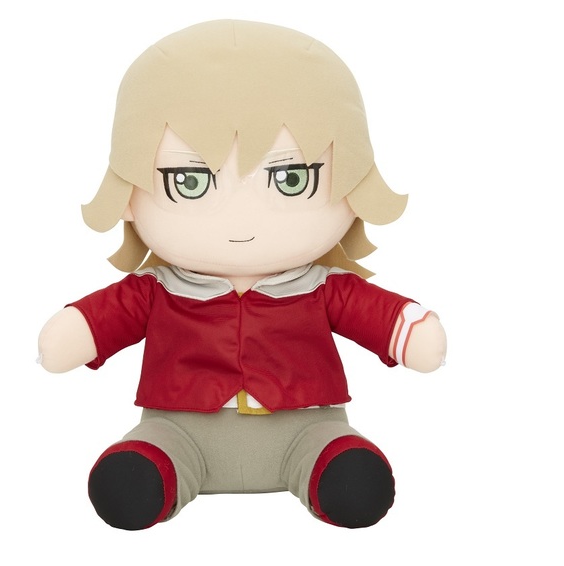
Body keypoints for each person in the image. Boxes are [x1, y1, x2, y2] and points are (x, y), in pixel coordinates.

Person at [38, 20, 447, 530]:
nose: (241, 219)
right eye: (189, 181)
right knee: (133, 482)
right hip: (180, 430)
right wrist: (70, 335)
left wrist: (414, 333)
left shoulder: (320, 288)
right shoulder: (157, 292)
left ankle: (329, 470)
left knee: (352, 482)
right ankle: (157, 474)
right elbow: (99, 321)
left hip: (306, 429)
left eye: (291, 178)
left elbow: (378, 315)